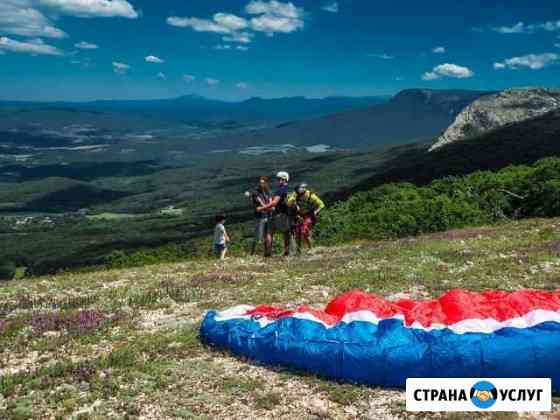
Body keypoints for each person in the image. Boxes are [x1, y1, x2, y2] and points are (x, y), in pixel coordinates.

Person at [256, 171, 293, 256]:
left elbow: (274, 203)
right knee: (285, 233)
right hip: (284, 214)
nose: (278, 181)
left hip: (279, 214)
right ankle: (287, 251)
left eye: (279, 179)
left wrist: (262, 208)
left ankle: (268, 253)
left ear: (284, 180)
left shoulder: (280, 189)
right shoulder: (288, 189)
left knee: (270, 233)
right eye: (278, 179)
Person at [287, 183, 325, 254]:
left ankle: (311, 248)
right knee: (297, 232)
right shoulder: (295, 195)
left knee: (304, 231)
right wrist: (292, 200)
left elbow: (321, 204)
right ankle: (298, 250)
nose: (297, 194)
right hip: (299, 215)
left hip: (309, 215)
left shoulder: (311, 196)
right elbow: (289, 203)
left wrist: (316, 212)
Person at [250, 177, 274, 257]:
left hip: (267, 215)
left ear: (266, 183)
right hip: (260, 216)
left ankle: (267, 253)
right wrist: (269, 208)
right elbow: (260, 202)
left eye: (263, 182)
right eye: (260, 182)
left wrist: (266, 208)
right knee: (257, 235)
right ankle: (252, 253)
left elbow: (269, 202)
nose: (261, 184)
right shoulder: (256, 192)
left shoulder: (268, 192)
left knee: (267, 234)